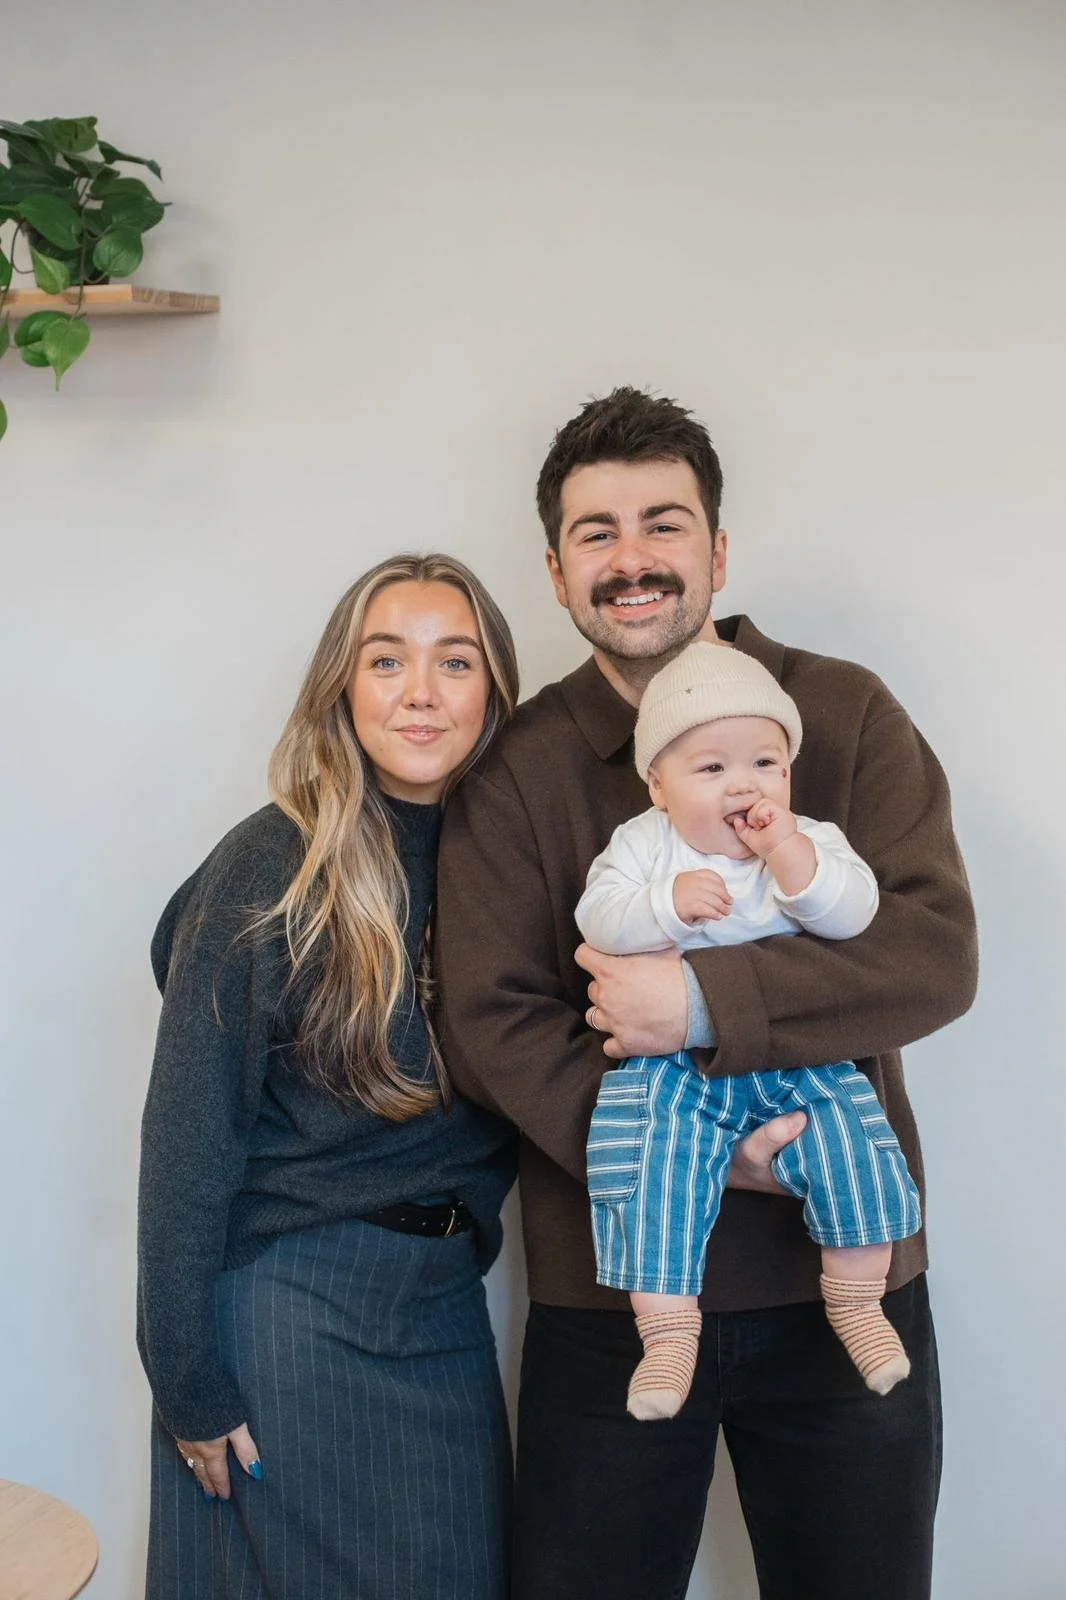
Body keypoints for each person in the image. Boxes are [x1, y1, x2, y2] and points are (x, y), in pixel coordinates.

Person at [435, 388, 977, 1600]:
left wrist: (701, 1010)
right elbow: (490, 1019)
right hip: (609, 1291)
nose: (633, 560)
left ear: (717, 550)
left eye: (664, 524)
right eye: (597, 532)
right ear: (557, 568)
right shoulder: (515, 767)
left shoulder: (840, 712)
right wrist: (687, 1154)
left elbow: (932, 953)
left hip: (847, 1281)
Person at [138, 553, 520, 1600]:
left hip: (442, 1309)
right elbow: (187, 1134)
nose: (420, 692)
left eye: (455, 661)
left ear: (494, 691)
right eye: (384, 659)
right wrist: (187, 1379)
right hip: (290, 1309)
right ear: (341, 687)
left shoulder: (516, 865)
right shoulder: (276, 862)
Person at [577, 640, 920, 1422]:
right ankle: (666, 1332)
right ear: (657, 786)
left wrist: (790, 855)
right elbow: (596, 918)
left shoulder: (808, 841)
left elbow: (852, 916)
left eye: (766, 763)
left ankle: (858, 1300)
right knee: (645, 1163)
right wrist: (665, 904)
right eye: (712, 770)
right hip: (674, 1068)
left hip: (799, 1058)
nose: (745, 786)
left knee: (854, 1144)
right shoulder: (643, 846)